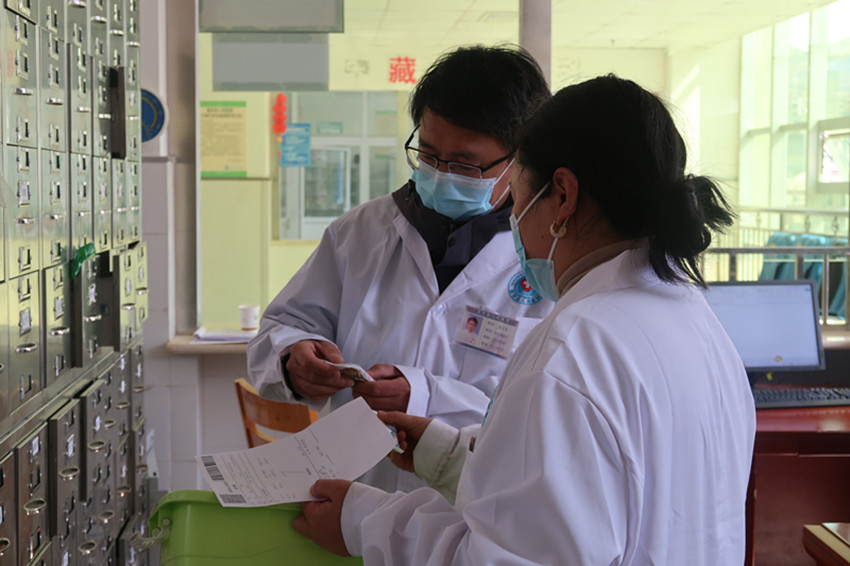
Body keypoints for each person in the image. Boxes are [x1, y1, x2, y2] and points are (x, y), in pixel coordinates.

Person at [292, 74, 757, 565]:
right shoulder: (697, 324)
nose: (514, 222)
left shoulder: (570, 352)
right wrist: (446, 456)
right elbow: (605, 493)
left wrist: (364, 523)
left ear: (563, 196)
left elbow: (511, 557)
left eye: (516, 196)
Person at [247, 45, 554, 492]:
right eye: (428, 155)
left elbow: (546, 411)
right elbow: (280, 329)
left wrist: (427, 395)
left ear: (520, 158)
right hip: (353, 503)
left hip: (472, 510)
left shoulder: (550, 260)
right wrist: (294, 357)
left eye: (465, 164)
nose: (442, 174)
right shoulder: (359, 233)